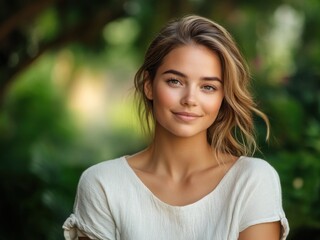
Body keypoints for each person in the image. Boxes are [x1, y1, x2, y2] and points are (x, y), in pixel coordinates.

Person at [63, 15, 289, 240]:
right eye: (175, 81)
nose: (190, 99)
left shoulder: (251, 181)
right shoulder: (103, 185)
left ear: (223, 97)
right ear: (148, 86)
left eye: (208, 87)